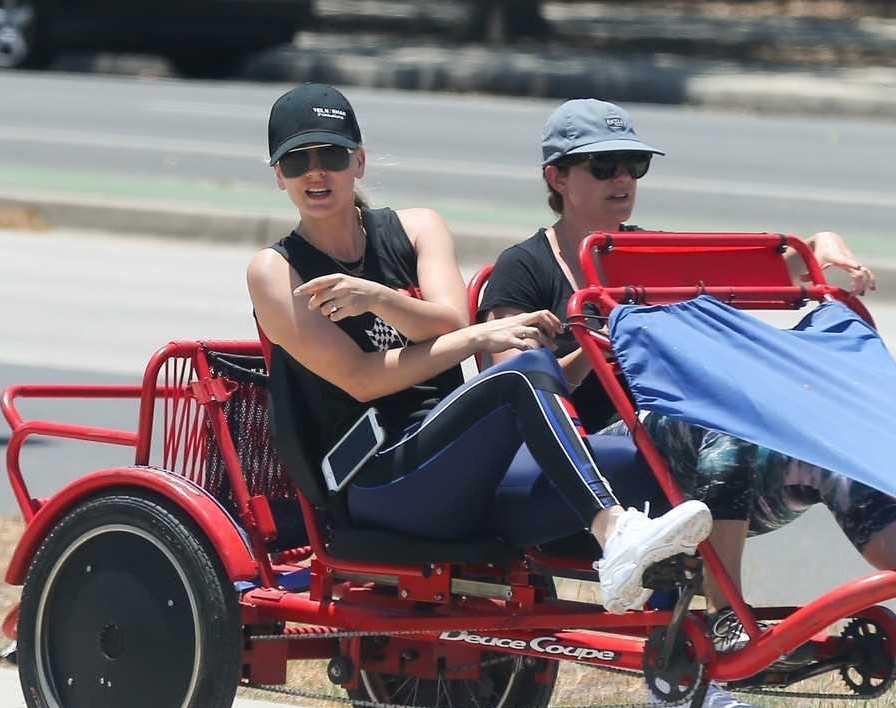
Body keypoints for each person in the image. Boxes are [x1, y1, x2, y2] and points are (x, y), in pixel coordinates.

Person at [479, 98, 896, 708]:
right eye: (603, 165)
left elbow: (756, 272)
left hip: (691, 462)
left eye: (634, 164)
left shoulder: (645, 254)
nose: (622, 178)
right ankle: (726, 624)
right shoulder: (524, 268)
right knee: (722, 426)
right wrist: (595, 341)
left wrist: (821, 246)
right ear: (556, 177)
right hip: (584, 469)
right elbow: (513, 385)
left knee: (831, 455)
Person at [247, 83, 718, 619]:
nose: (315, 173)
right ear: (278, 175)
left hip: (463, 465)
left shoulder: (417, 227)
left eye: (331, 156)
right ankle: (613, 532)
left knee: (654, 454)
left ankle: (691, 645)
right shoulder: (274, 270)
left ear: (358, 161)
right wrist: (475, 337)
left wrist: (377, 298)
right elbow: (362, 379)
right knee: (522, 373)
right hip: (377, 480)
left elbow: (449, 319)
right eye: (296, 161)